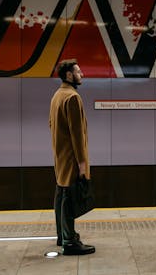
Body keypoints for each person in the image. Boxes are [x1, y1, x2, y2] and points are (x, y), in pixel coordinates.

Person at [49, 59, 95, 256]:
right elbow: (78, 135)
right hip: (71, 158)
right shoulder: (73, 98)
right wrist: (82, 165)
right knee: (69, 196)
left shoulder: (57, 96)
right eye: (78, 71)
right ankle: (69, 241)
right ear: (69, 75)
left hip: (60, 156)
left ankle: (62, 234)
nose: (81, 74)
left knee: (61, 194)